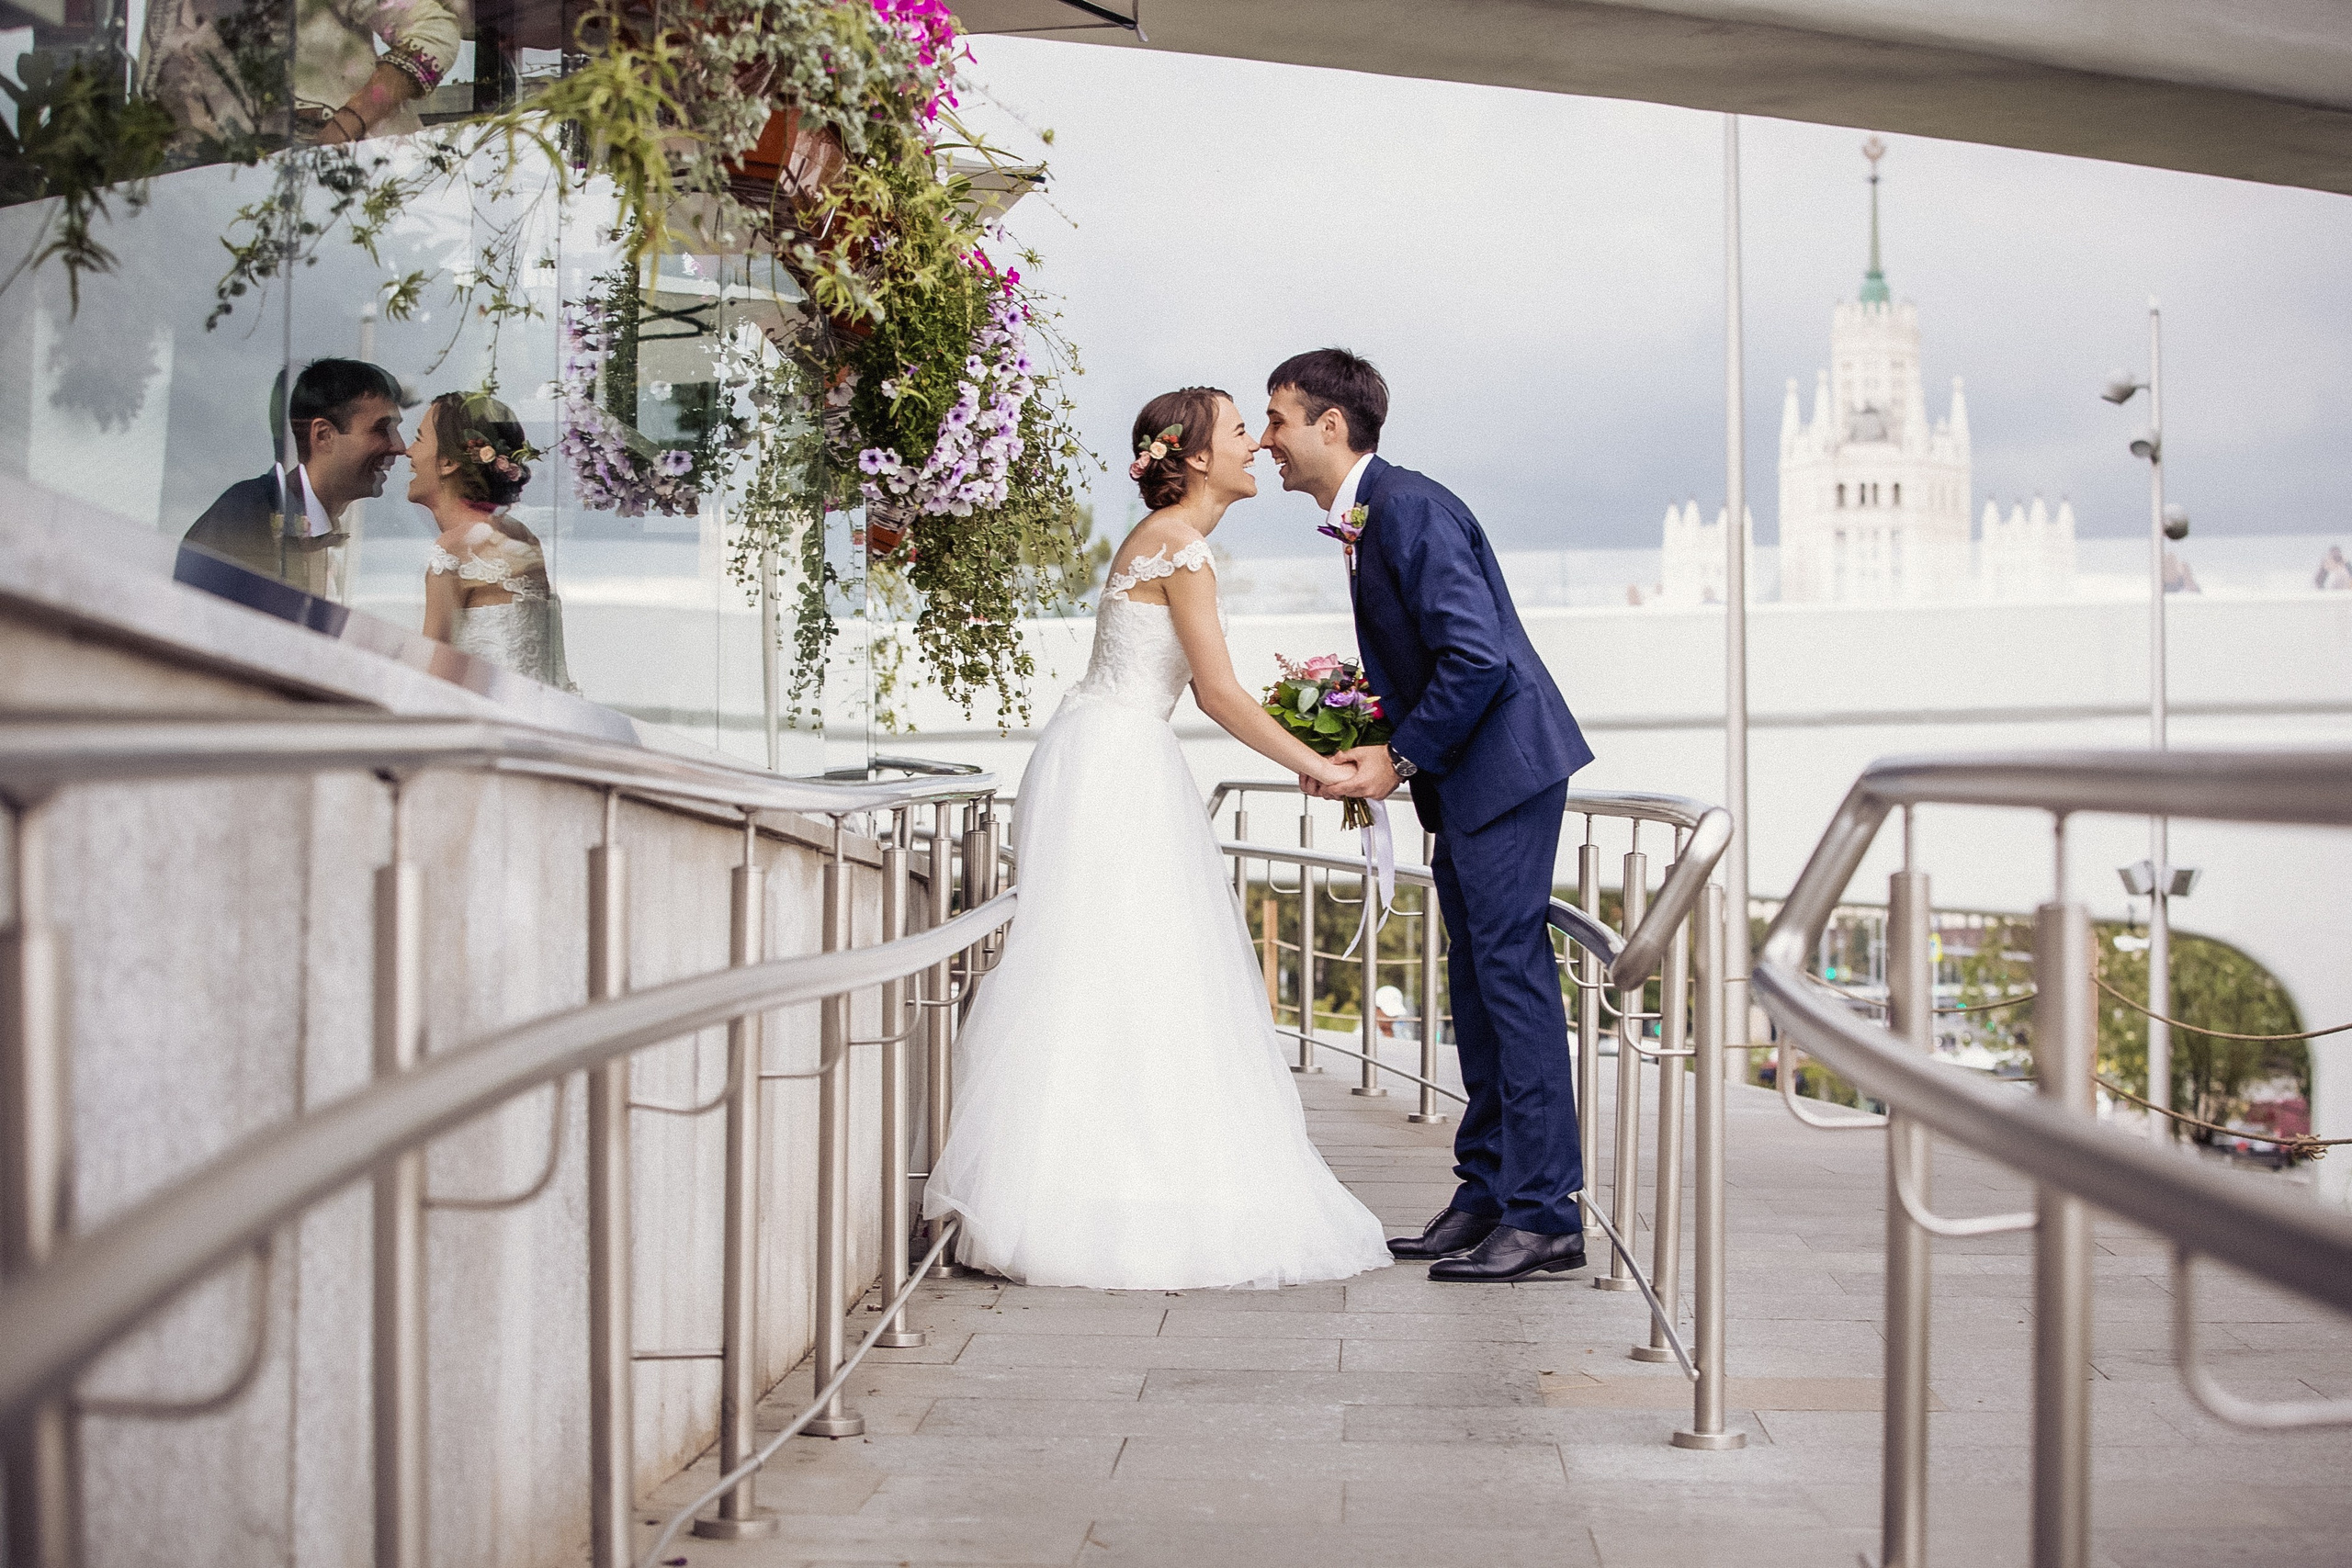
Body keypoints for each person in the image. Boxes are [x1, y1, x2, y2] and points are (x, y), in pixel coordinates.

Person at [922, 387, 1390, 1291]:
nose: (1255, 443)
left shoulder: (1173, 542)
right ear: (1199, 456)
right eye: (1240, 430)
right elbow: (1217, 695)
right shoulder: (1181, 544)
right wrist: (1327, 767)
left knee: (1114, 963)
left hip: (1108, 749)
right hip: (1118, 760)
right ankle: (1103, 1189)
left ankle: (1080, 1184)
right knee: (1124, 961)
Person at [1262, 348, 1596, 1284]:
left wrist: (1397, 756)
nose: (1269, 440)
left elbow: (1476, 658)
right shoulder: (1380, 514)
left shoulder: (1406, 507)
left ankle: (1545, 1214)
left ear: (1332, 425)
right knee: (1478, 991)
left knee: (1509, 983)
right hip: (1474, 778)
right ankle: (1488, 1190)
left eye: (1279, 419)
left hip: (1504, 772)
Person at [183, 357, 407, 598]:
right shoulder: (244, 517)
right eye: (382, 428)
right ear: (323, 436)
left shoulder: (329, 534)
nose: (399, 446)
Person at [413, 391, 575, 691]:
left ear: (448, 462)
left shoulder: (453, 550)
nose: (409, 452)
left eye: (419, 438)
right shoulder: (521, 535)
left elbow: (432, 679)